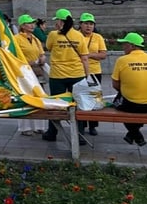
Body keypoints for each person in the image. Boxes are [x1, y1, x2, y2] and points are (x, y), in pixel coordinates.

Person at [42, 8, 90, 144]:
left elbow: (49, 48)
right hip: (77, 75)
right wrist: (87, 76)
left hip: (58, 76)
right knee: (78, 104)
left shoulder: (53, 35)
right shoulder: (79, 35)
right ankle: (80, 135)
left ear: (59, 21)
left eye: (56, 21)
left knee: (55, 105)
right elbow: (85, 58)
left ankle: (52, 132)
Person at [111, 32, 147, 147]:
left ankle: (134, 134)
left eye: (124, 45)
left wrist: (129, 90)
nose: (123, 47)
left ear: (132, 46)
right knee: (138, 103)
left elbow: (115, 85)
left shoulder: (122, 60)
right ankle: (133, 134)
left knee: (118, 103)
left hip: (132, 105)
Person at [14, 14, 47, 136]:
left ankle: (40, 126)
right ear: (22, 25)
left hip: (37, 71)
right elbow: (13, 57)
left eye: (33, 22)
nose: (32, 25)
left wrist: (42, 57)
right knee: (26, 98)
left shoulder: (35, 38)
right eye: (29, 23)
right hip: (24, 73)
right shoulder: (16, 39)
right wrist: (28, 62)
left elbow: (42, 52)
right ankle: (25, 127)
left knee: (39, 97)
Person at [77, 12, 107, 136]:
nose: (89, 26)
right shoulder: (75, 36)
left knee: (94, 99)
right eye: (86, 24)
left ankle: (93, 126)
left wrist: (88, 55)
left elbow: (103, 54)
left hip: (95, 72)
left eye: (91, 24)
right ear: (80, 25)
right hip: (79, 71)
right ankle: (81, 125)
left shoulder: (98, 37)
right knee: (81, 99)